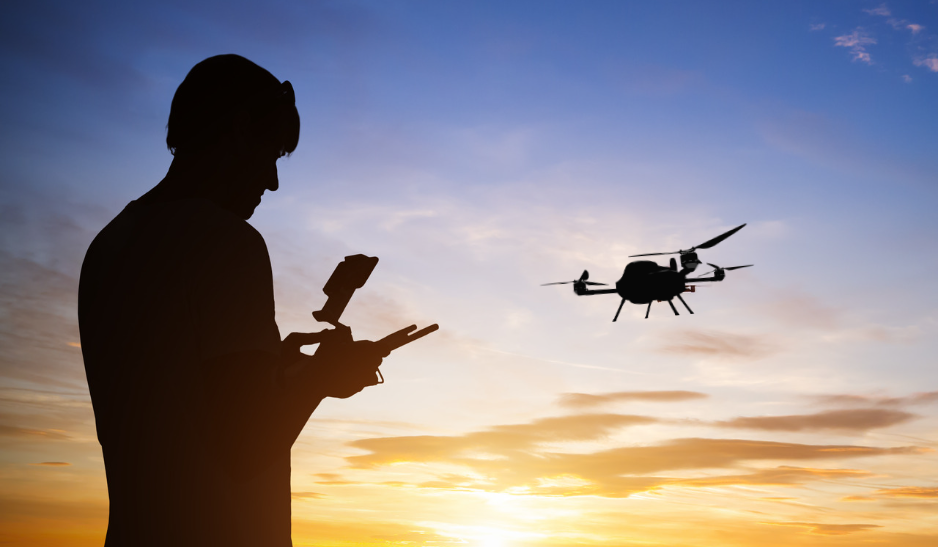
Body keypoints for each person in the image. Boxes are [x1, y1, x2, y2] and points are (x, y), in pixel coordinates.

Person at [78, 54, 386, 546]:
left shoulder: (110, 243)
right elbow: (245, 446)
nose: (272, 181)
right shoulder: (226, 241)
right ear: (240, 130)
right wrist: (322, 378)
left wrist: (279, 369)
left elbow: (173, 393)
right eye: (271, 155)